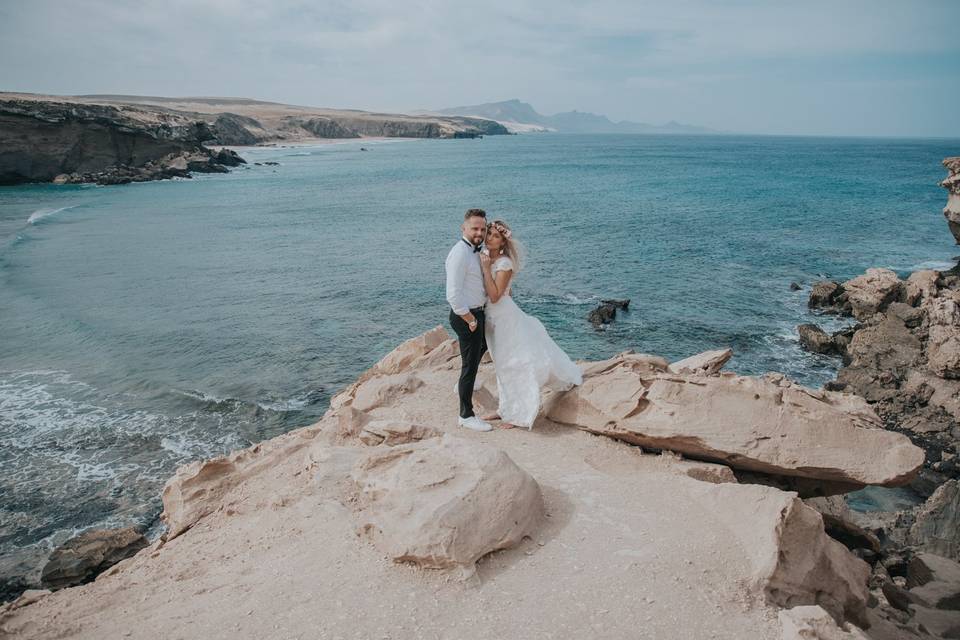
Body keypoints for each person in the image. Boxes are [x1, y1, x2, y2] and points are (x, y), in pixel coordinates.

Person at [478, 219, 583, 429]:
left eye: (495, 236)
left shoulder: (504, 263)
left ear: (503, 243)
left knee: (515, 365)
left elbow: (496, 296)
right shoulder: (487, 258)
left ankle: (520, 415)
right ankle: (505, 409)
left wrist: (486, 267)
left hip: (504, 318)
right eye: (488, 234)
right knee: (501, 365)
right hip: (493, 318)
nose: (489, 238)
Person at [445, 208, 493, 432]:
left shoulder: (477, 251)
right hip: (467, 315)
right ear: (463, 228)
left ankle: (461, 386)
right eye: (474, 228)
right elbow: (452, 294)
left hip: (477, 312)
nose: (479, 232)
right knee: (470, 366)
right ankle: (466, 415)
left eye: (483, 229)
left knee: (482, 347)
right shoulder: (459, 254)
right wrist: (470, 319)